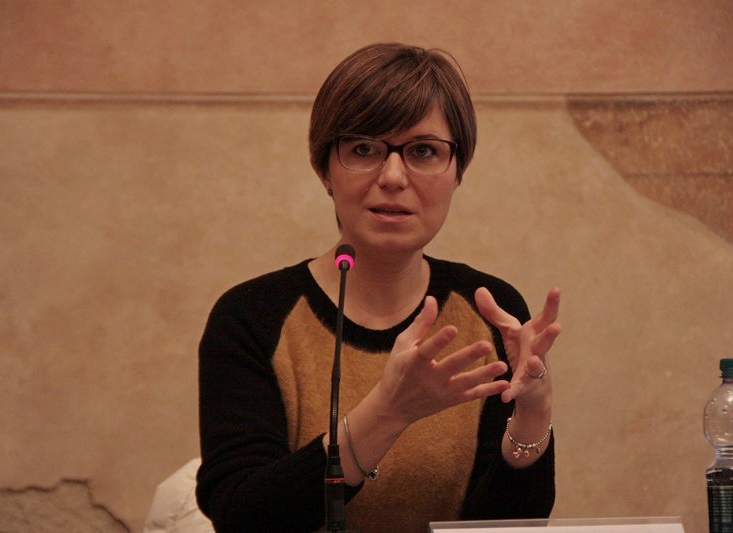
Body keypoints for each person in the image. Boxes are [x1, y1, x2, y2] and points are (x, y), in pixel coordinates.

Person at [196, 42, 562, 533]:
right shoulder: (251, 316)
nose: (392, 177)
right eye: (364, 149)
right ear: (324, 168)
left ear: (458, 171)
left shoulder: (488, 309)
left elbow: (508, 526)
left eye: (423, 151)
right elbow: (242, 516)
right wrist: (388, 412)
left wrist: (534, 412)